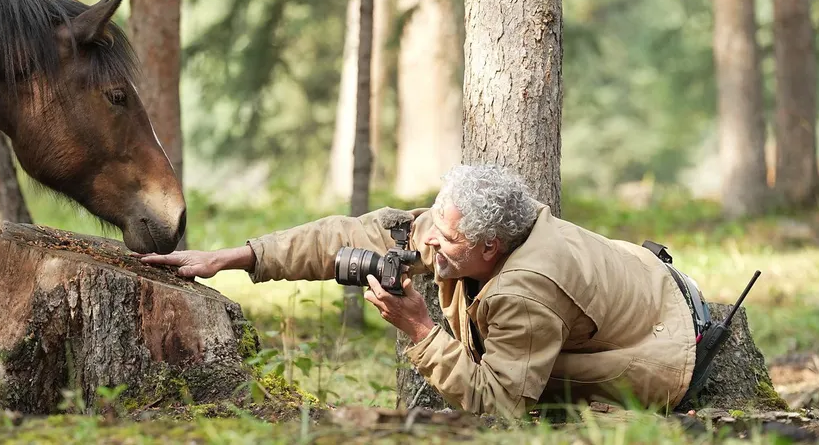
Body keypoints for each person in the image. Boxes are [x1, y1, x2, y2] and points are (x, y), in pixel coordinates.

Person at [134, 163, 710, 418]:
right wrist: (235, 257)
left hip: (662, 345)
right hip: (642, 284)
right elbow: (345, 235)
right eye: (431, 220)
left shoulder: (524, 291)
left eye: (447, 236)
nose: (426, 239)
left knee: (540, 394)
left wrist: (421, 330)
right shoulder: (466, 228)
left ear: (490, 248)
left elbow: (501, 406)